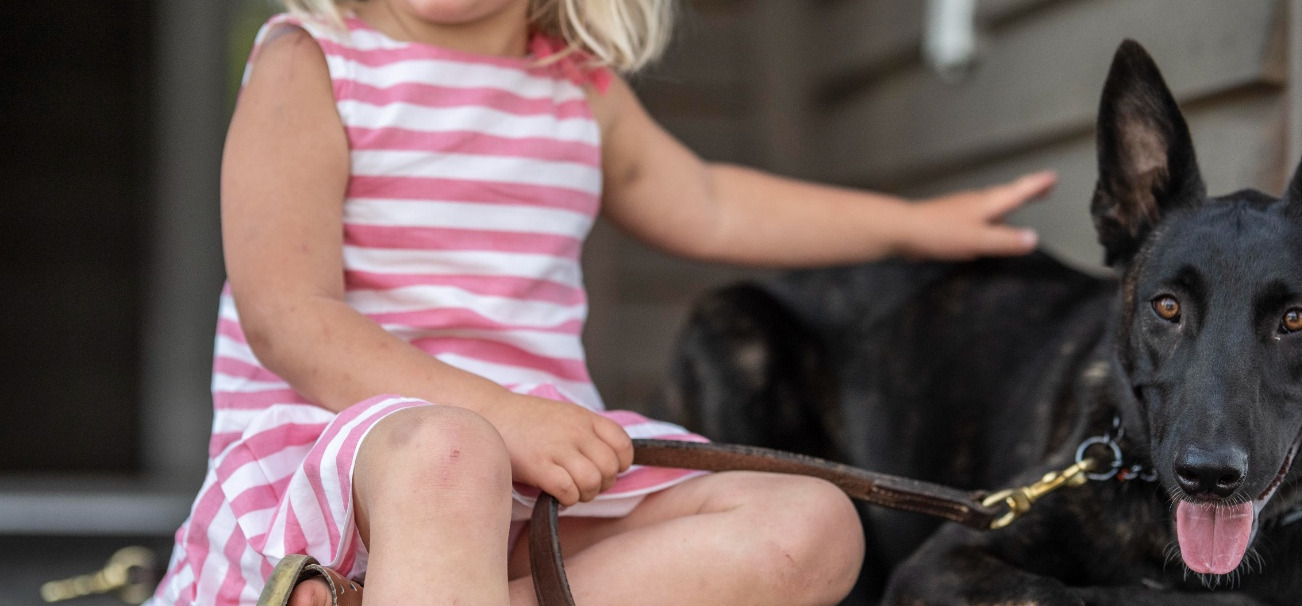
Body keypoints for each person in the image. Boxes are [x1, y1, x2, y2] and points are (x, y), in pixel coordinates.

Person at [150, 0, 1056, 604]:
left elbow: (710, 203)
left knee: (808, 523)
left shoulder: (575, 84)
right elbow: (287, 316)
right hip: (353, 467)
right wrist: (499, 415)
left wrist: (911, 225)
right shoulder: (314, 61)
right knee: (451, 451)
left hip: (539, 466)